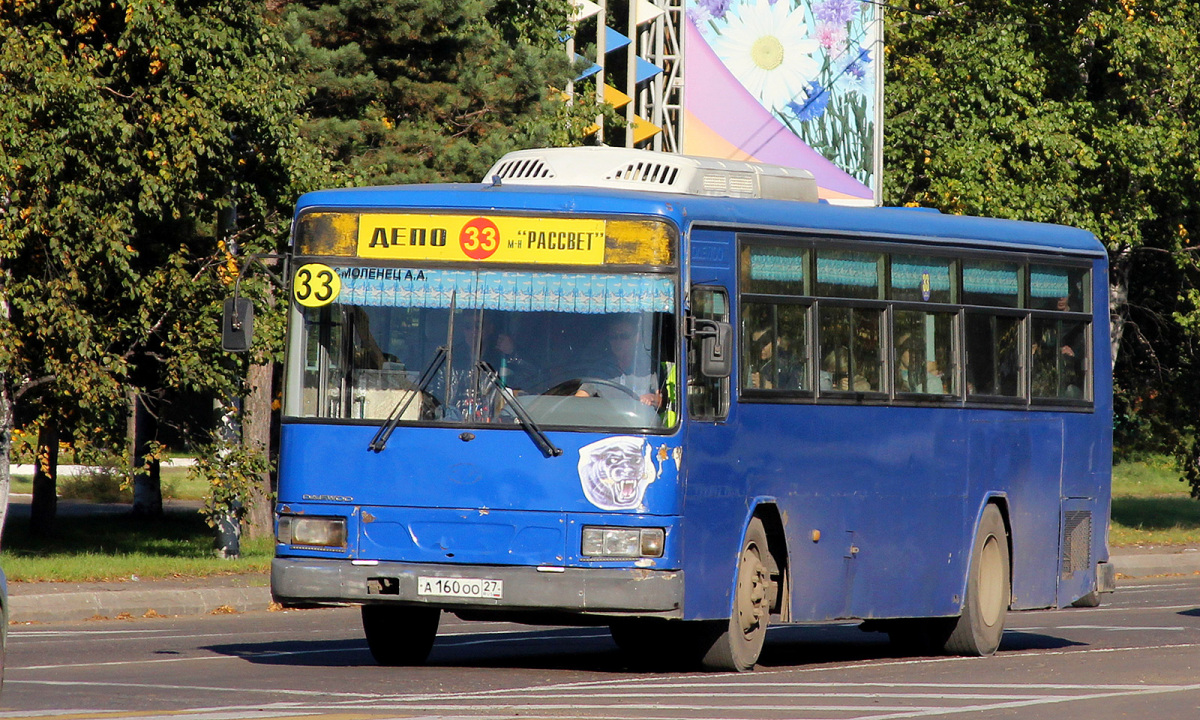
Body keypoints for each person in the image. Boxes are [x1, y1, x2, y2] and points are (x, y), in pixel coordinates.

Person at [575, 316, 663, 407]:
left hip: (637, 420)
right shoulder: (600, 368)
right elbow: (580, 398)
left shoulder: (649, 368)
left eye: (624, 336)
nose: (618, 341)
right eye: (613, 337)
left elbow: (661, 400)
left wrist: (651, 398)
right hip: (606, 419)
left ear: (636, 338)